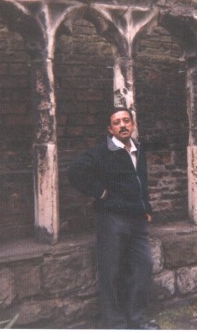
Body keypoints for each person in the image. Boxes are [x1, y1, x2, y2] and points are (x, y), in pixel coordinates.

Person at [68, 107, 159, 329]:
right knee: (112, 272)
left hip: (137, 220)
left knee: (143, 267)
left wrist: (145, 207)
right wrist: (100, 192)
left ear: (133, 124)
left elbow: (141, 182)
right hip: (112, 220)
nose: (123, 125)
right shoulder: (101, 152)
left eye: (126, 120)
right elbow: (74, 172)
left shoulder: (139, 150)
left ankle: (136, 320)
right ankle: (116, 325)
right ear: (110, 129)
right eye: (117, 122)